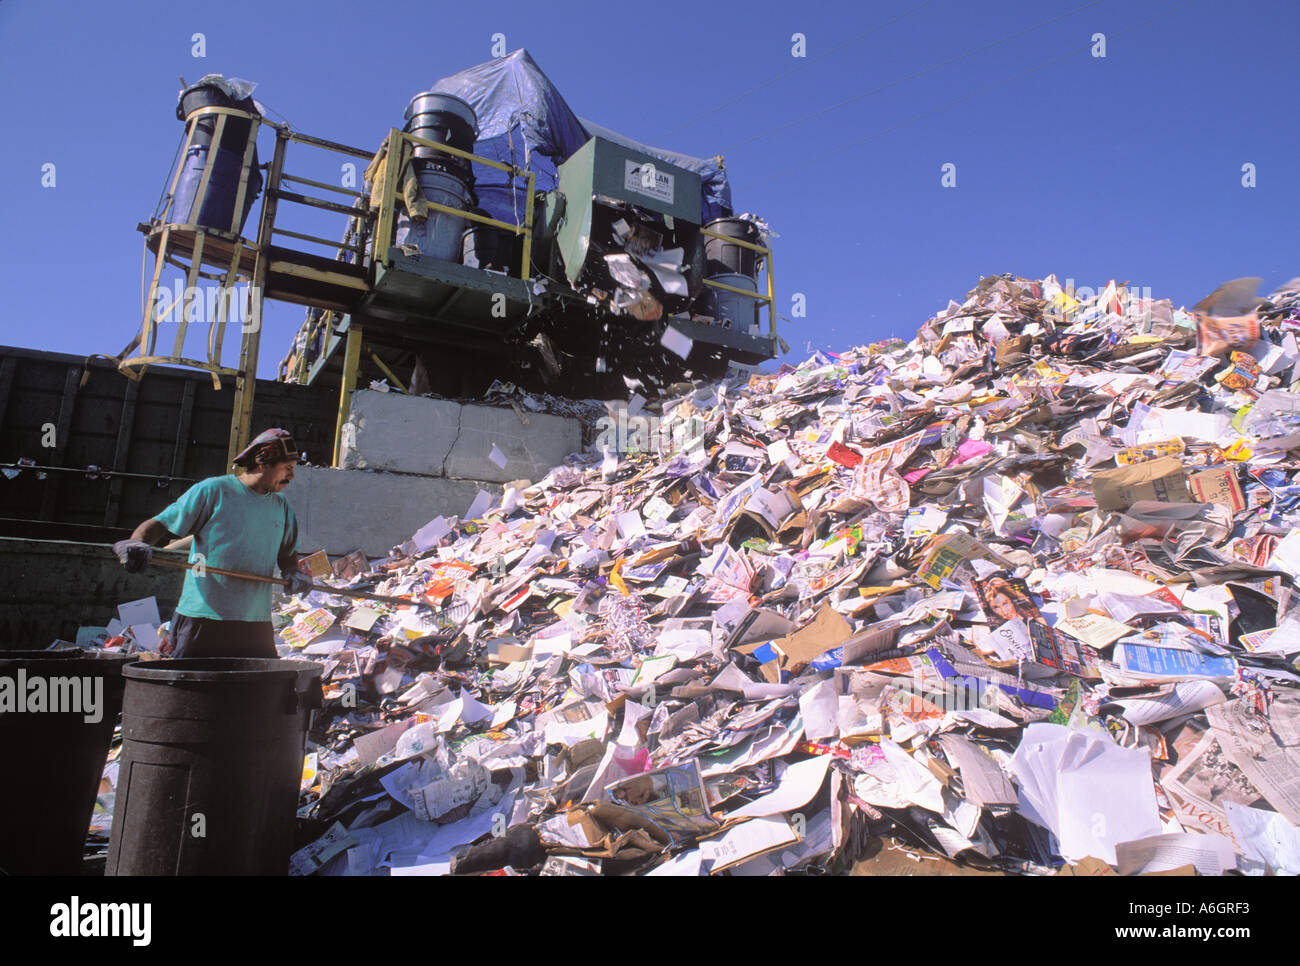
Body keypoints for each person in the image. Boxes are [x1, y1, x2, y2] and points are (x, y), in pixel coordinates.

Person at [113, 428, 313, 659]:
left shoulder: (282, 507)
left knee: (257, 692)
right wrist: (136, 543)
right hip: (202, 618)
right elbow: (160, 523)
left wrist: (294, 573)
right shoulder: (214, 491)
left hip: (254, 622)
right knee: (188, 690)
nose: (292, 476)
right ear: (263, 462)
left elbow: (287, 555)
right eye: (287, 468)